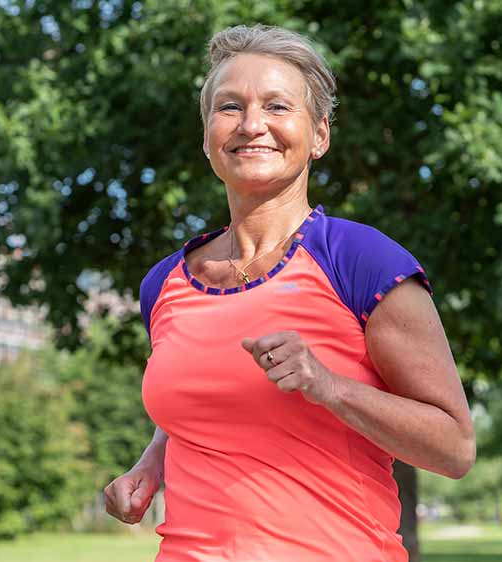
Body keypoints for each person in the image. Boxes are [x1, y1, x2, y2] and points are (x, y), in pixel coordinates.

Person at [104, 24, 475, 562]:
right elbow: (209, 401)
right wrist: (151, 464)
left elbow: (455, 448)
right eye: (229, 107)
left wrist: (328, 385)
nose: (252, 125)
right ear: (208, 134)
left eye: (278, 107)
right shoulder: (164, 284)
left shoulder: (361, 260)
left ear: (319, 135)